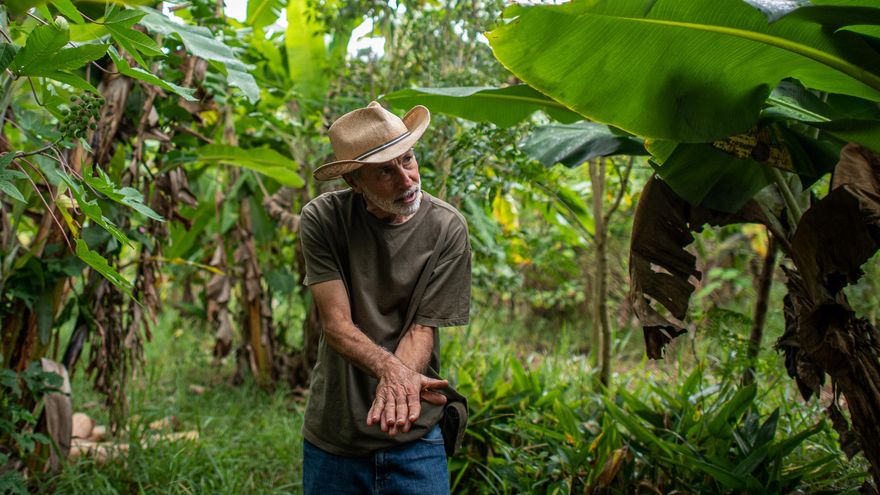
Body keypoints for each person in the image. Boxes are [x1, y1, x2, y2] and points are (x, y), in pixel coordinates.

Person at [299, 101, 471, 494]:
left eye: (407, 159)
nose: (406, 179)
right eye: (385, 171)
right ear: (354, 183)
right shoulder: (323, 219)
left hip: (416, 433)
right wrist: (394, 374)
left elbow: (422, 328)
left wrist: (397, 387)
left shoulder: (447, 228)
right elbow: (336, 325)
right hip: (336, 437)